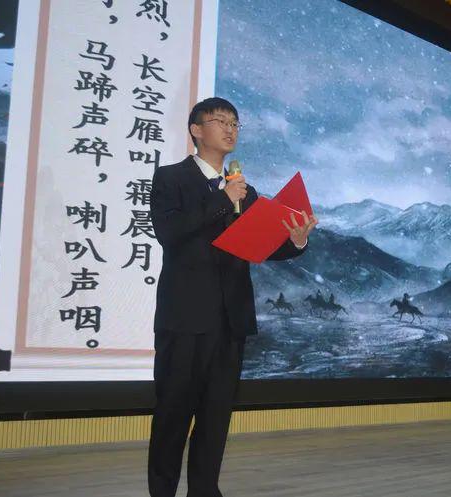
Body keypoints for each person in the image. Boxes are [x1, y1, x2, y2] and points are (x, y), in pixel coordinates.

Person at [147, 97, 318, 497]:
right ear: (196, 130)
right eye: (220, 121)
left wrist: (296, 241)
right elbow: (170, 233)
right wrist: (222, 199)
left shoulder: (245, 190)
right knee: (173, 417)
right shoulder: (171, 178)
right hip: (184, 319)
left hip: (231, 321)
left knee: (215, 419)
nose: (229, 129)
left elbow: (264, 245)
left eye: (235, 123)